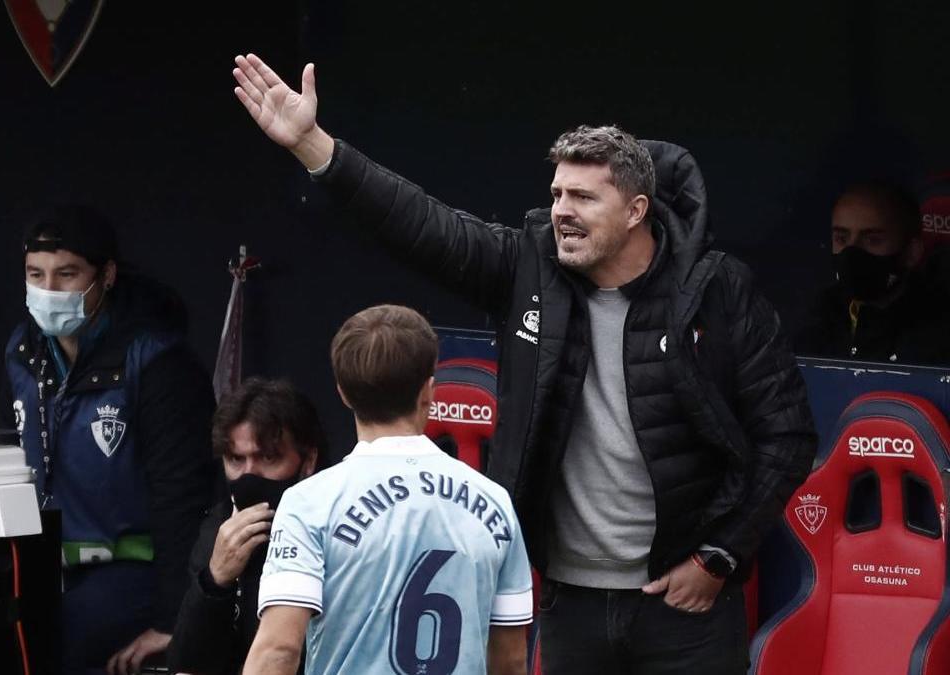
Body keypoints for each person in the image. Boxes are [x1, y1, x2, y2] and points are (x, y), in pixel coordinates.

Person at [232, 54, 817, 674]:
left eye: (584, 197)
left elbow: (787, 434)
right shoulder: (530, 268)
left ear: (637, 211)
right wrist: (315, 147)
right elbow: (421, 226)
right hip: (567, 600)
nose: (562, 210)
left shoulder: (716, 290)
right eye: (557, 193)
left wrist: (718, 556)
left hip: (688, 604)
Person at [244, 304, 533, 675]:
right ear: (430, 392)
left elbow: (278, 651)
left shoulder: (309, 503)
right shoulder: (495, 502)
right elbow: (510, 660)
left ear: (342, 393)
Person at [0, 206, 217, 674]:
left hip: (127, 577)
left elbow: (183, 496)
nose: (49, 291)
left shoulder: (157, 362)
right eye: (35, 275)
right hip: (36, 570)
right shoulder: (23, 352)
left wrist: (172, 617)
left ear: (107, 275)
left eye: (67, 273)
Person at [168, 377, 327, 675]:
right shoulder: (220, 527)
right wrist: (215, 582)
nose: (249, 475)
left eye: (268, 457)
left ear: (308, 460)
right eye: (236, 459)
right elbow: (187, 663)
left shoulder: (335, 528)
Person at [794, 182, 950, 365]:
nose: (852, 252)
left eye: (872, 240)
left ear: (911, 253)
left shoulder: (937, 329)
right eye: (841, 239)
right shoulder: (819, 315)